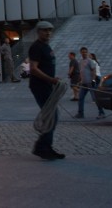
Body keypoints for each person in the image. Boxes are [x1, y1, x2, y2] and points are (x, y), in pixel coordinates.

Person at [29, 21, 65, 160]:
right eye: (45, 30)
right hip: (40, 86)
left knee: (52, 115)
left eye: (50, 30)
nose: (48, 33)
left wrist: (52, 79)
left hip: (47, 85)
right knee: (52, 115)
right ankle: (42, 147)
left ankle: (44, 146)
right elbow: (34, 68)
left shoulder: (46, 46)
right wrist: (50, 80)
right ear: (38, 32)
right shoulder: (36, 47)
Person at [74, 47, 105, 120]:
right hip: (84, 83)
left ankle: (101, 112)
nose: (84, 53)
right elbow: (81, 72)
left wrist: (93, 80)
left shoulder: (90, 61)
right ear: (80, 53)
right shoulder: (81, 62)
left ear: (87, 52)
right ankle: (80, 113)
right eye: (83, 52)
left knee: (95, 98)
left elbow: (93, 70)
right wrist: (79, 80)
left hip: (90, 83)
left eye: (85, 52)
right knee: (80, 98)